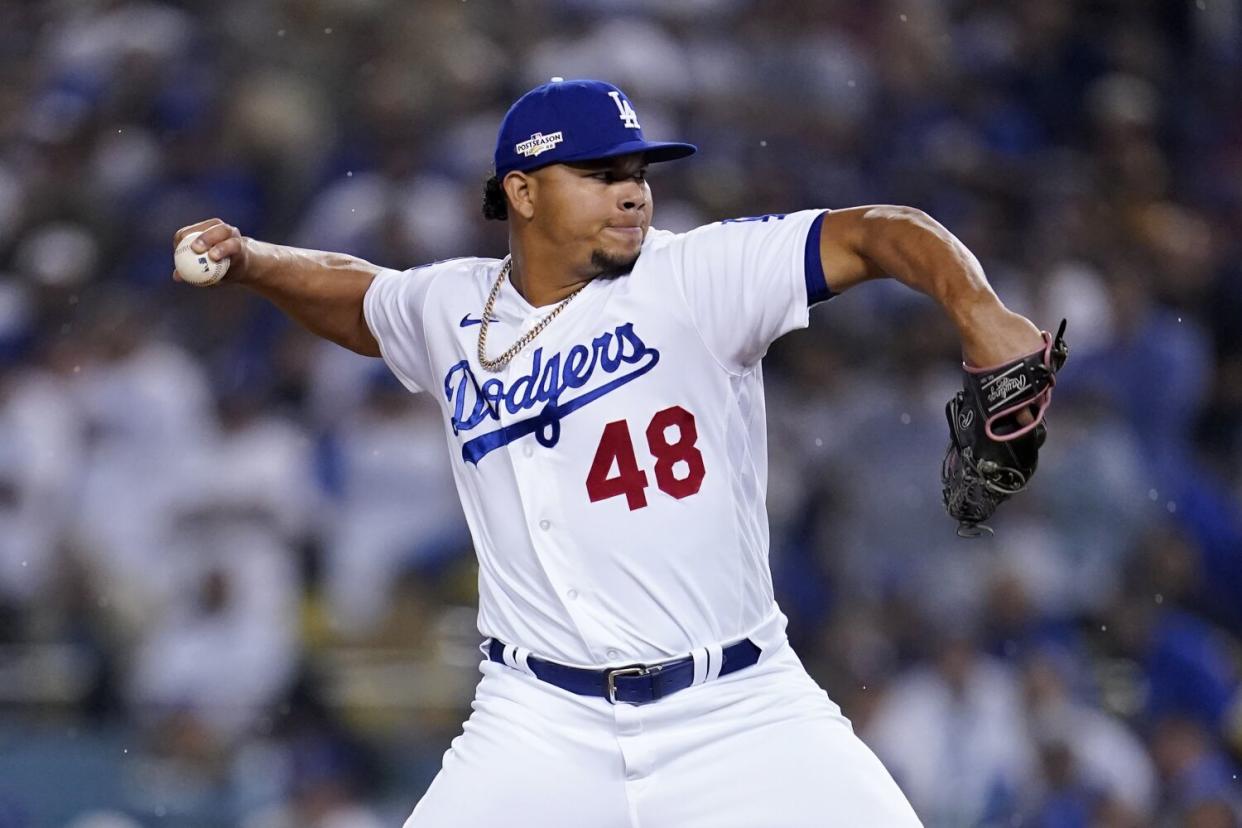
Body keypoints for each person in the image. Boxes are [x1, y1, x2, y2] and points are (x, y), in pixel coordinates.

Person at [175, 78, 1046, 827]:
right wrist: (253, 260)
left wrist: (978, 309)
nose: (632, 194)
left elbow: (878, 231)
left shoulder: (698, 276)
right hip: (537, 720)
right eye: (600, 175)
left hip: (739, 708)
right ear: (522, 191)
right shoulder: (453, 309)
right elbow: (361, 301)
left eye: (636, 174)